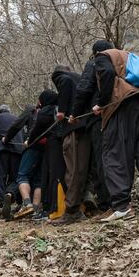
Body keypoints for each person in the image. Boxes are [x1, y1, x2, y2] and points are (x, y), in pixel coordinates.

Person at [92, 42, 139, 221]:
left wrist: (101, 103)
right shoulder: (138, 58)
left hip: (126, 105)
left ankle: (122, 205)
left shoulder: (104, 56)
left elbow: (107, 74)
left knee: (116, 153)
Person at [69, 40, 112, 215]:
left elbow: (84, 88)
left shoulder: (95, 63)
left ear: (95, 52)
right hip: (119, 114)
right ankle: (121, 198)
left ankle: (107, 202)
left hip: (97, 116)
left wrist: (75, 113)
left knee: (101, 158)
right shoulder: (119, 62)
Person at [50, 65, 91, 225]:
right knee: (81, 169)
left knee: (72, 170)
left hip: (73, 129)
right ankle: (79, 208)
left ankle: (72, 210)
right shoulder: (80, 78)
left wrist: (62, 110)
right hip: (86, 127)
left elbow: (65, 82)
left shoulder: (63, 78)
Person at [25, 89, 62, 221]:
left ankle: (51, 208)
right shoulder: (60, 108)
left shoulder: (46, 111)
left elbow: (36, 130)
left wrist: (29, 142)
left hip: (52, 146)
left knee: (50, 176)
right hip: (63, 144)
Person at [5, 104, 42, 219]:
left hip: (32, 146)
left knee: (22, 175)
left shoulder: (31, 110)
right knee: (38, 180)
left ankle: (27, 204)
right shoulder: (51, 110)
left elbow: (17, 125)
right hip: (47, 149)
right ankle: (36, 210)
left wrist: (6, 138)